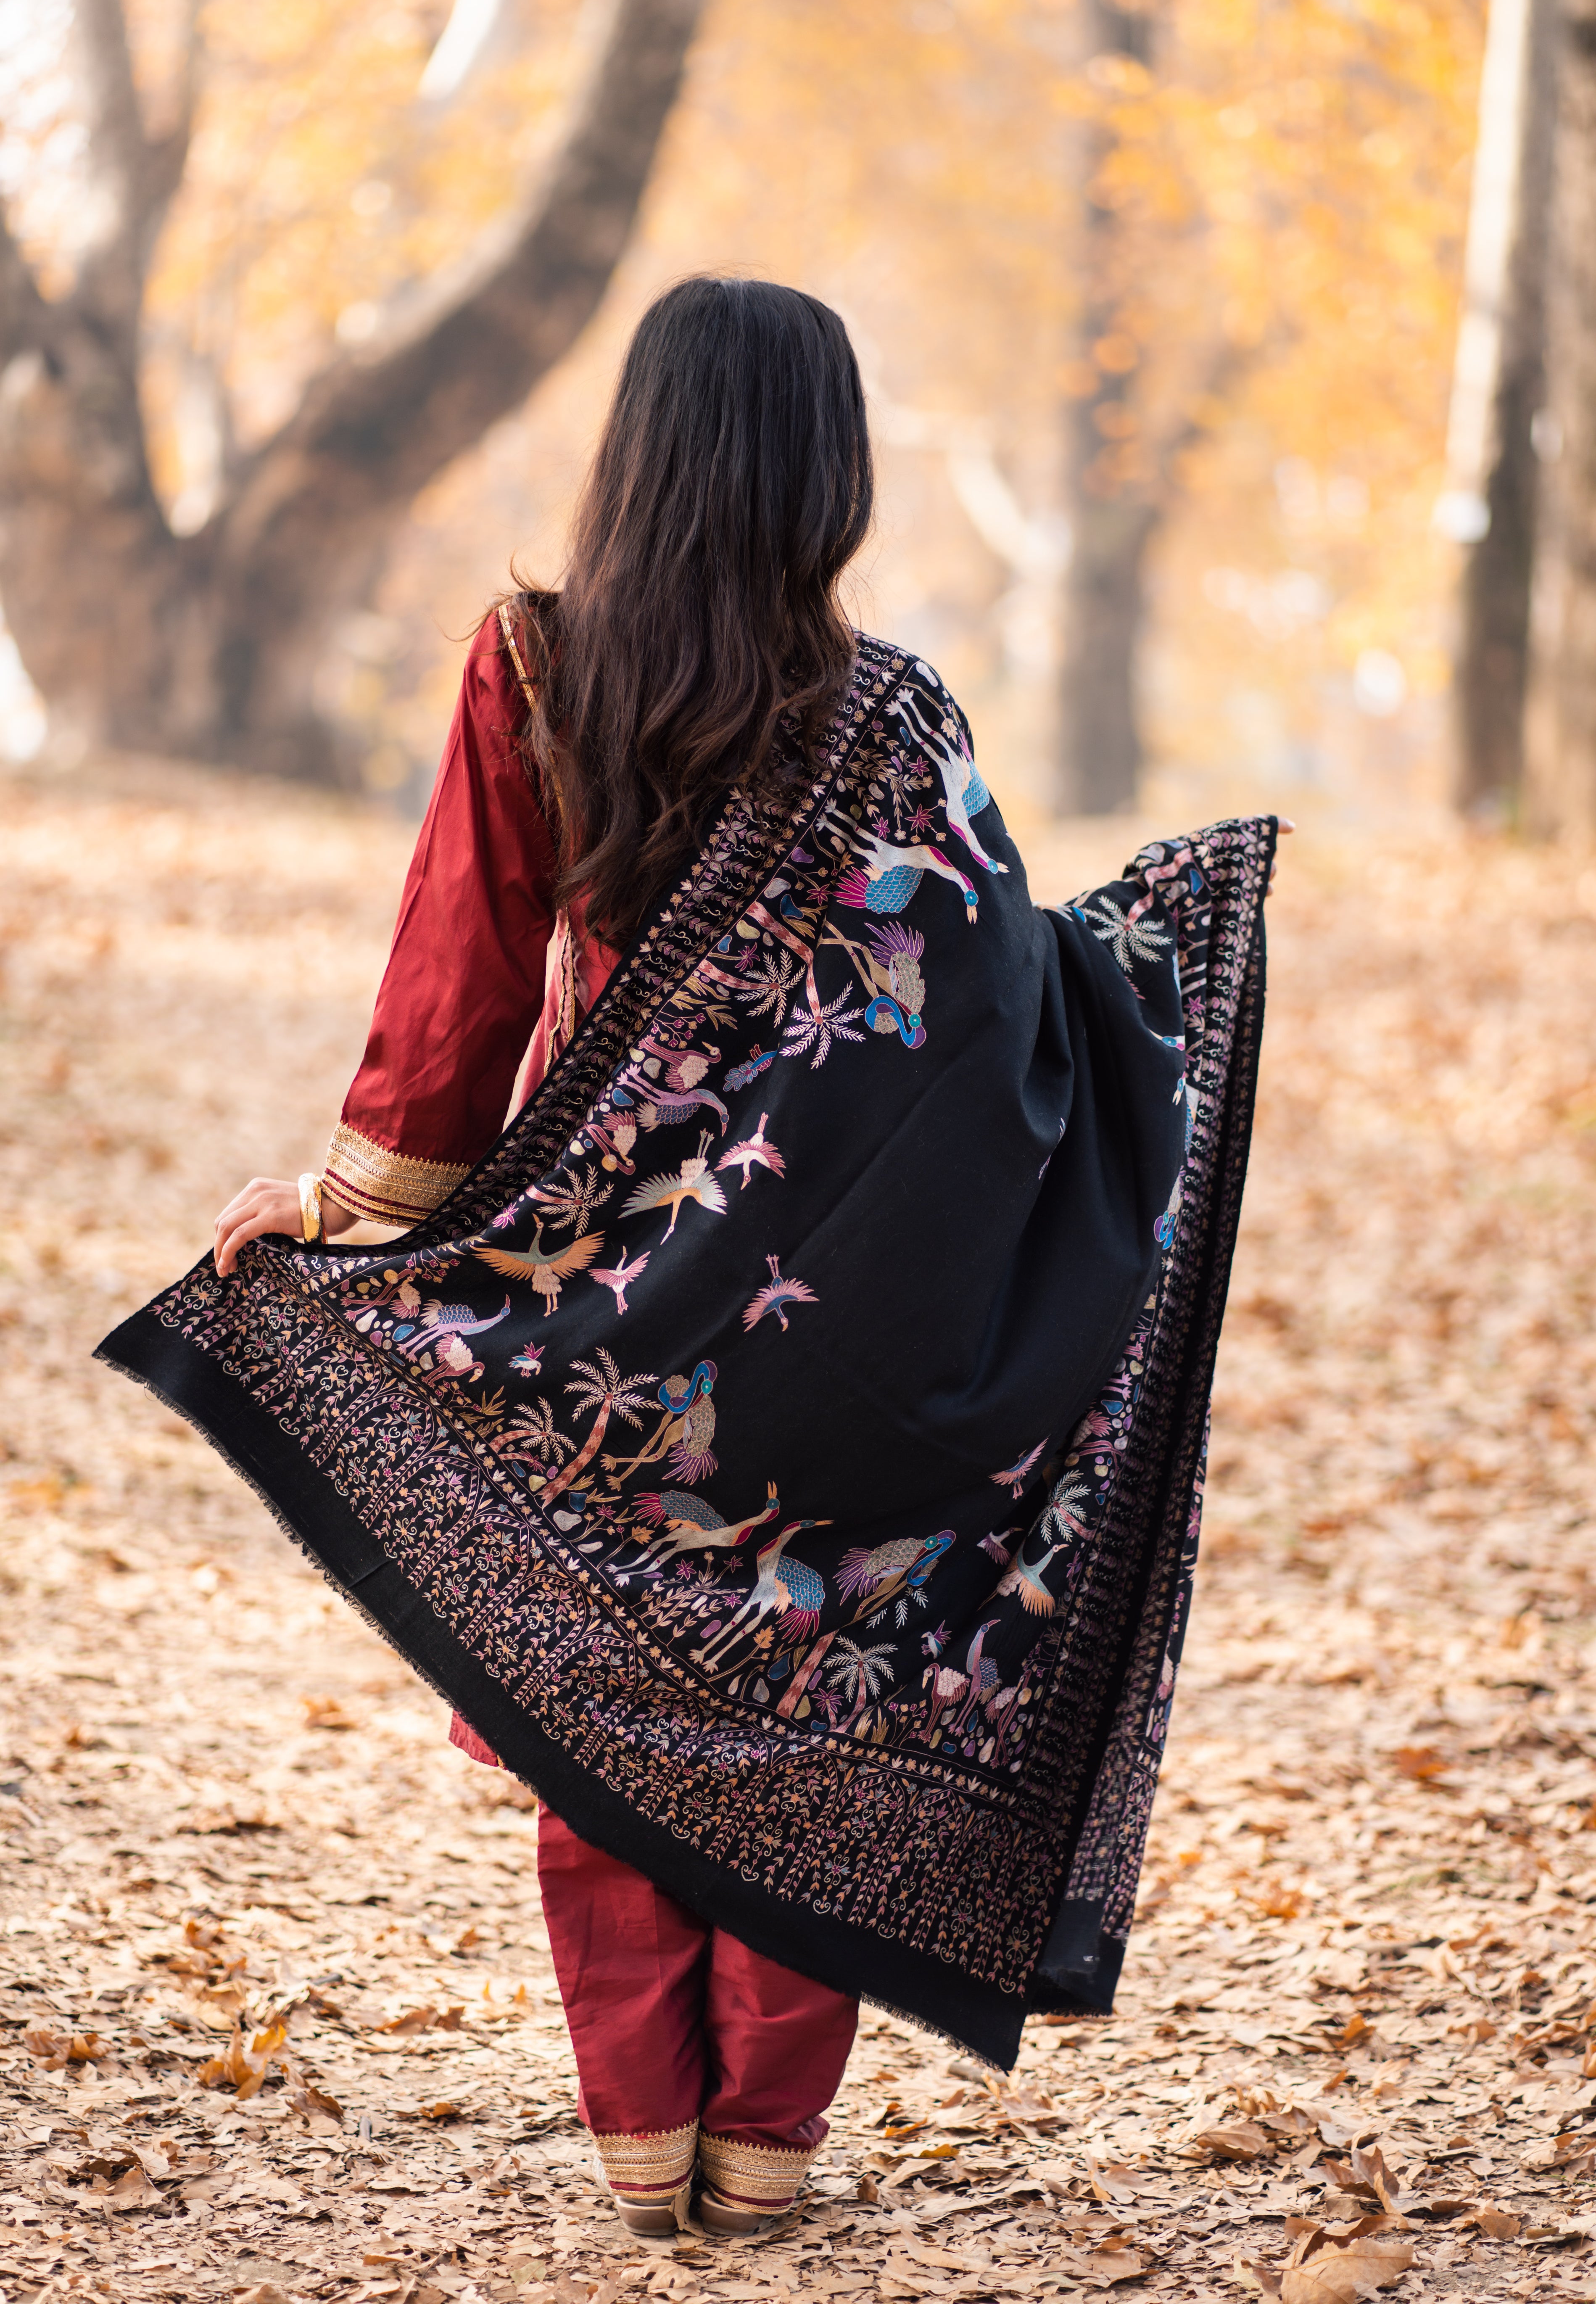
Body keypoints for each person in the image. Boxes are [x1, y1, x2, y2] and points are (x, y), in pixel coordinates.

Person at [104, 276, 1285, 2241]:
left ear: (635, 451)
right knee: (801, 1681)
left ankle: (645, 2151)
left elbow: (457, 998)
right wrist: (1162, 961)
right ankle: (767, 2164)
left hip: (604, 1292)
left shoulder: (536, 668)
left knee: (603, 1689)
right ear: (833, 472)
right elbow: (998, 1022)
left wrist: (355, 1216)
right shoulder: (896, 717)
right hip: (855, 1307)